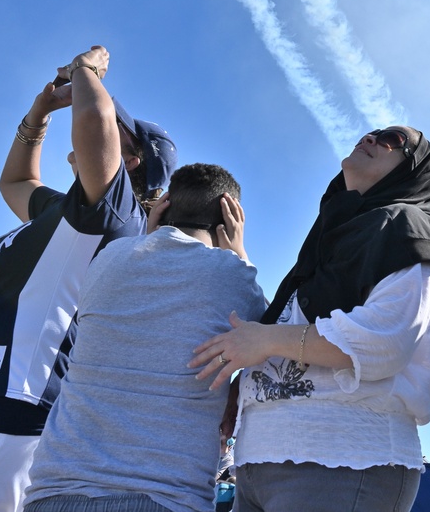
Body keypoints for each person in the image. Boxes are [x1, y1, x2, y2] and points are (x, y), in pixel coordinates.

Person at [0, 46, 177, 512]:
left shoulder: (116, 215)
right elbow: (14, 182)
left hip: (2, 413)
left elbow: (93, 121)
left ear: (132, 162)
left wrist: (86, 71)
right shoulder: (64, 209)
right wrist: (38, 116)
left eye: (116, 132)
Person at [192, 126, 430, 512]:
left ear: (413, 169)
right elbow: (289, 319)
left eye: (393, 139)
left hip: (342, 461)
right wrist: (245, 386)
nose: (372, 139)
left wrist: (264, 342)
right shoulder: (328, 242)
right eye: (370, 133)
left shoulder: (410, 228)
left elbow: (384, 341)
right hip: (258, 464)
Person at [23, 163, 265, 512]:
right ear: (230, 220)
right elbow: (269, 335)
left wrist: (149, 236)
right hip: (165, 496)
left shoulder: (107, 259)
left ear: (165, 205)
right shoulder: (235, 277)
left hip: (55, 491)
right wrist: (240, 255)